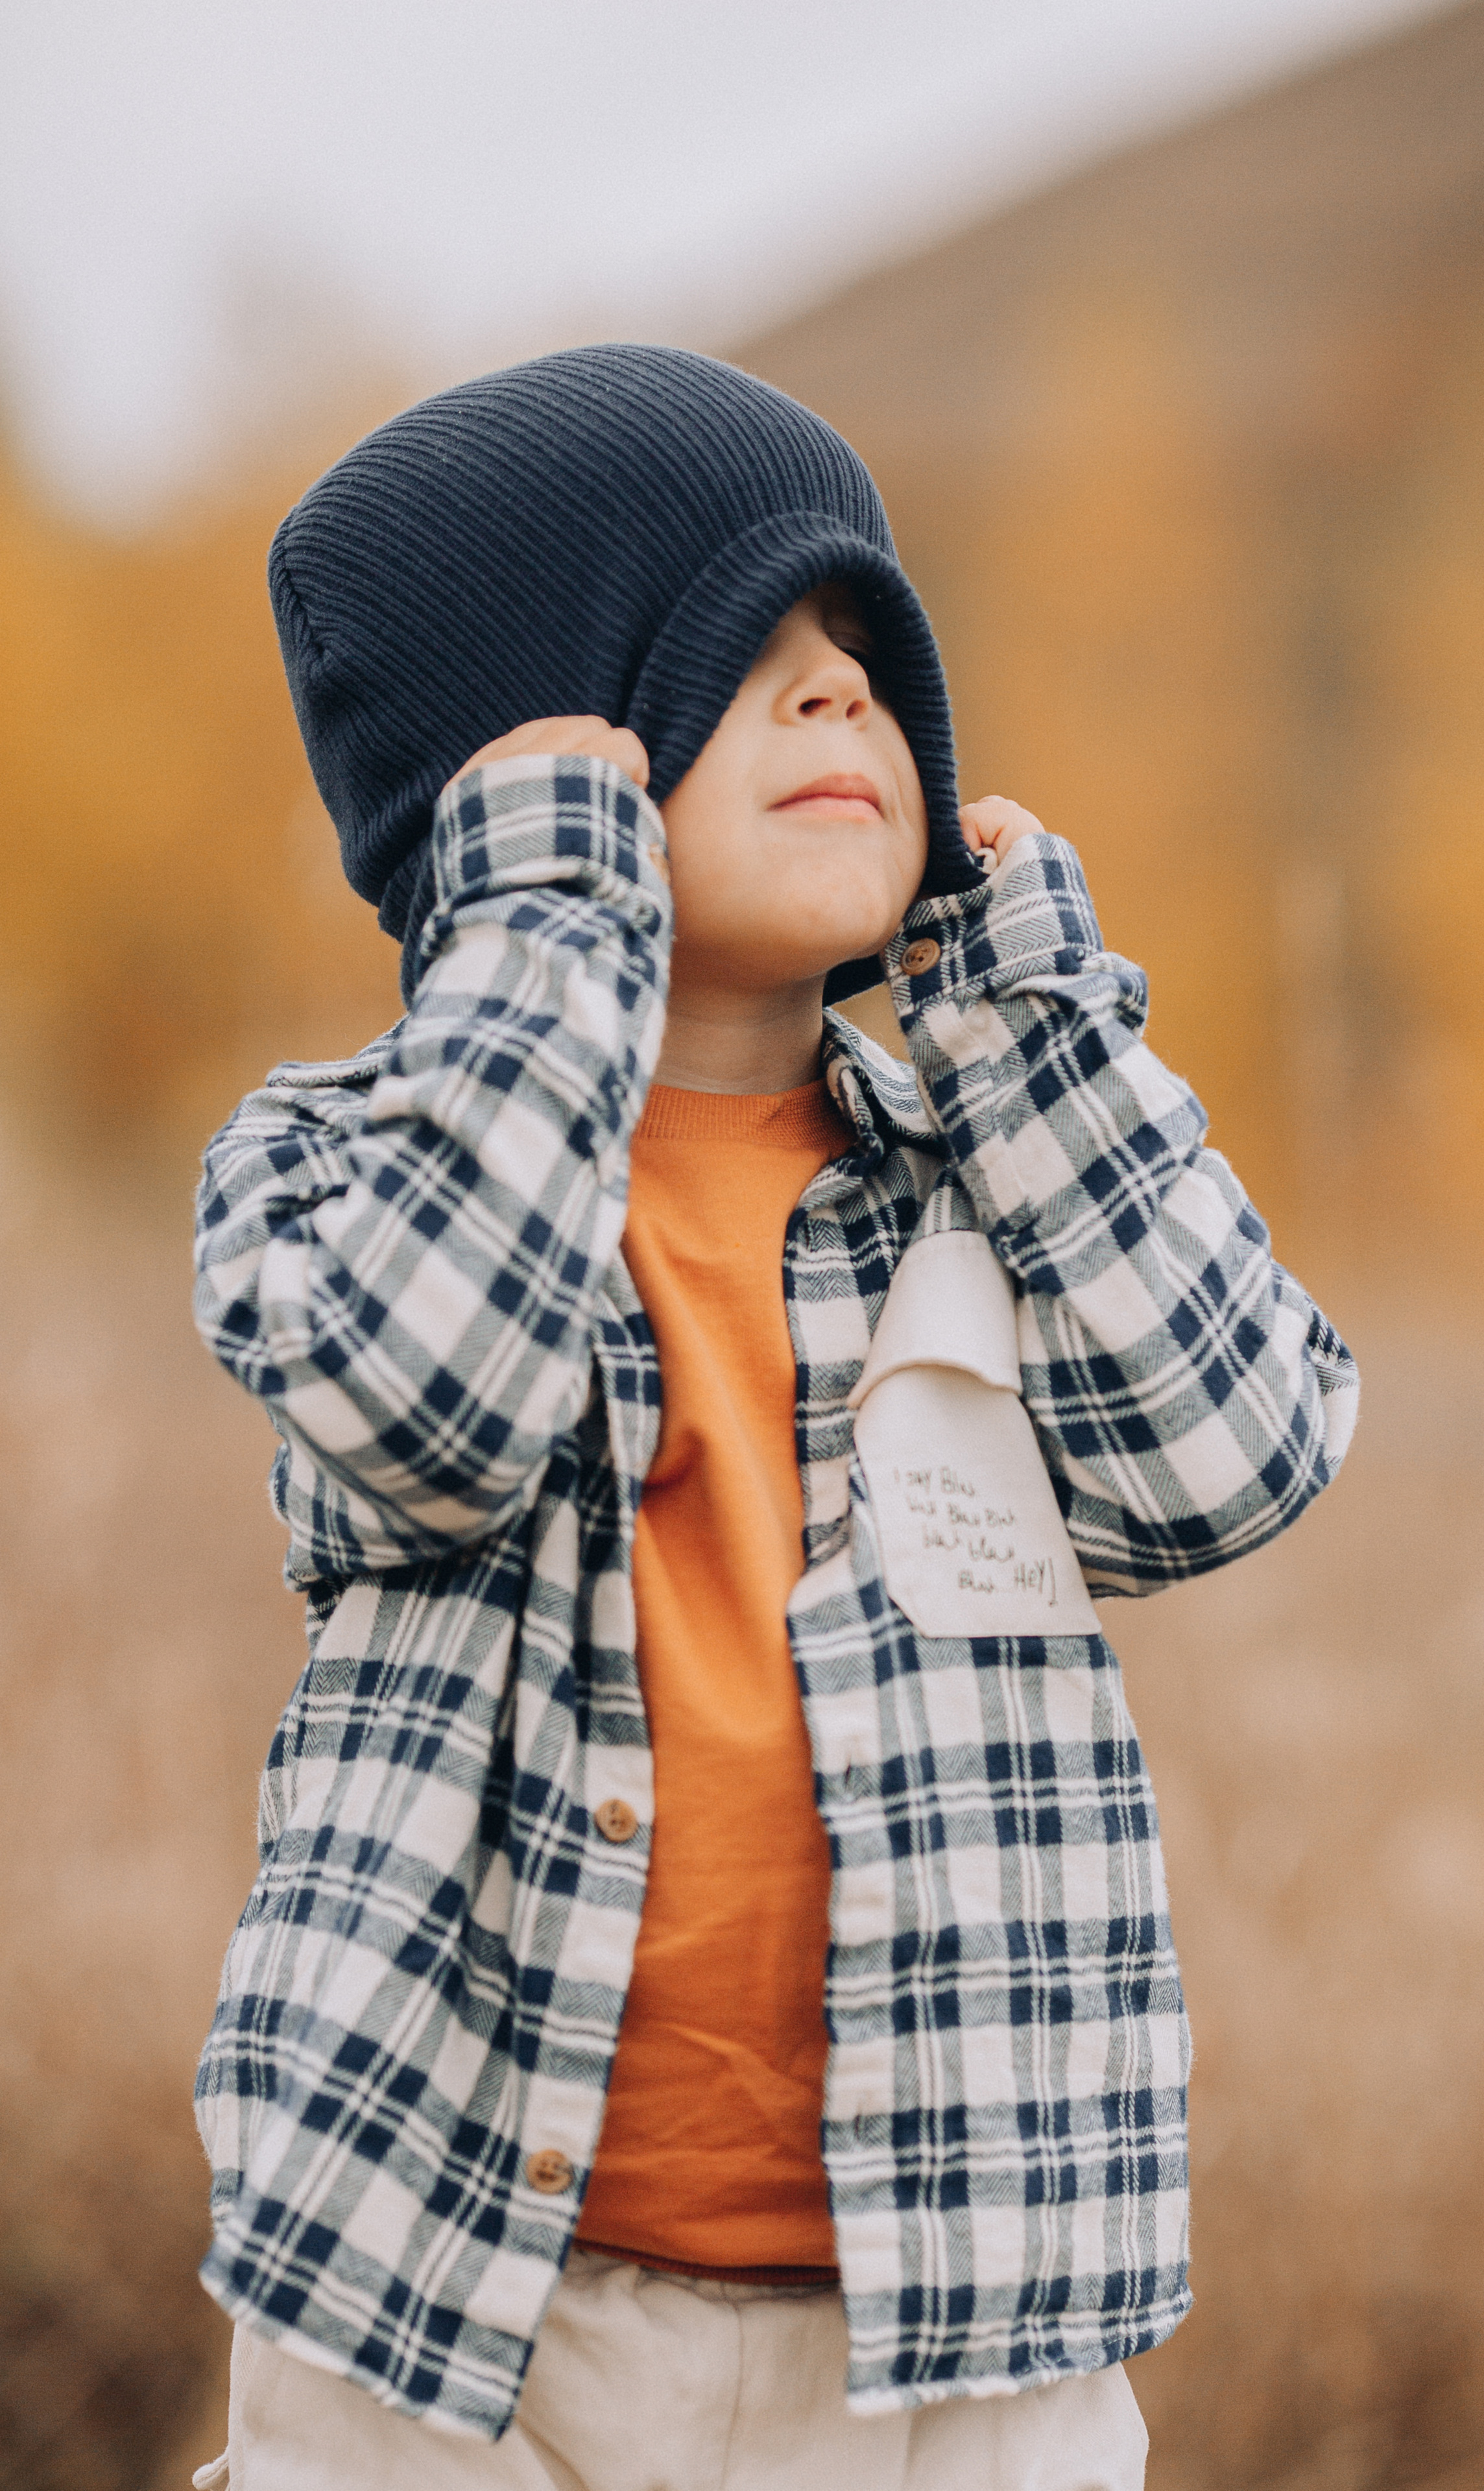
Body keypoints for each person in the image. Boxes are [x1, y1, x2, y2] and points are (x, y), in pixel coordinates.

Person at [188, 345, 1358, 2490]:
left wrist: (1023, 1009)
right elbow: (421, 1401)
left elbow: (1231, 1454)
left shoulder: (988, 1173)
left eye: (866, 659)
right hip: (445, 2303)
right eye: (748, 654)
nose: (846, 703)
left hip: (953, 2311)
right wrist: (546, 923)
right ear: (520, 774)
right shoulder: (344, 1167)